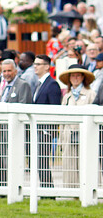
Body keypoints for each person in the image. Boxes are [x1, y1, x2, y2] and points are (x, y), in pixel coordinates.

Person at [59, 64, 95, 187]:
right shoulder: (67, 96)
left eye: (78, 75)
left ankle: (87, 189)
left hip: (85, 134)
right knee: (69, 163)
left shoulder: (90, 94)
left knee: (85, 162)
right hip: (68, 134)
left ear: (83, 77)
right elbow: (62, 120)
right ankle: (71, 192)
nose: (75, 78)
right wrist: (61, 140)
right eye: (73, 76)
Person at [32, 54, 60, 188]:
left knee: (42, 162)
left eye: (38, 64)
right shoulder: (39, 84)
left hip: (46, 131)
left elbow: (55, 109)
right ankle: (45, 189)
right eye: (35, 64)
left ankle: (48, 190)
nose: (35, 67)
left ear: (47, 66)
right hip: (38, 129)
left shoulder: (52, 84)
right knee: (39, 162)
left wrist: (50, 130)